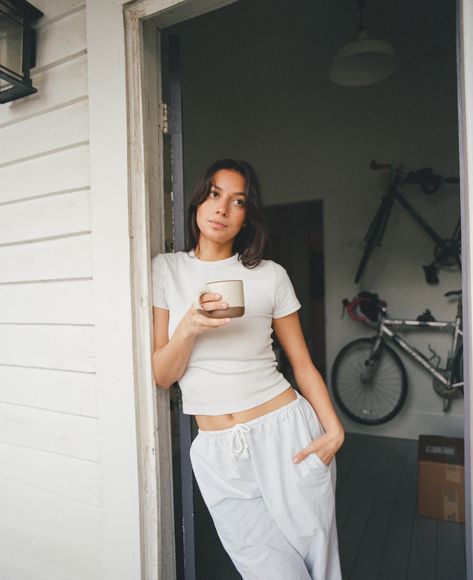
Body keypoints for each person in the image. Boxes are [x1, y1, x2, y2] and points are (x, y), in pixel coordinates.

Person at [151, 159, 344, 580]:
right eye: (214, 194)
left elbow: (302, 364)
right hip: (217, 449)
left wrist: (334, 430)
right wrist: (188, 327)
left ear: (246, 217)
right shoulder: (167, 269)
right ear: (198, 200)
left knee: (319, 565)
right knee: (270, 571)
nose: (222, 208)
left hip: (286, 434)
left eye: (237, 201)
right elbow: (164, 375)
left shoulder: (271, 276)